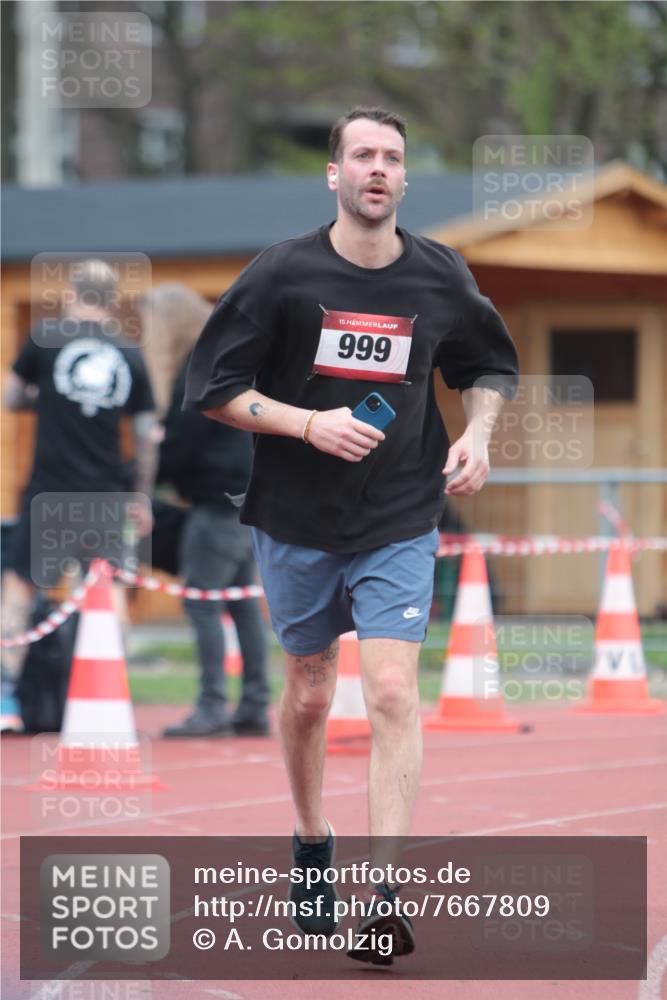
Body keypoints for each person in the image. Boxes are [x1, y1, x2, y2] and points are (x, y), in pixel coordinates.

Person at [183, 106, 519, 963]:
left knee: (393, 692)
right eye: (361, 155)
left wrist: (477, 432)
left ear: (404, 179)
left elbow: (485, 364)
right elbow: (213, 387)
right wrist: (306, 424)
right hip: (295, 519)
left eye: (392, 157)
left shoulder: (440, 275)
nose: (377, 168)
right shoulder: (282, 274)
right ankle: (309, 839)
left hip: (400, 513)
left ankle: (384, 897)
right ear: (332, 175)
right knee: (306, 691)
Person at [2, 259, 157, 713]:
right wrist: (141, 496)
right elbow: (147, 434)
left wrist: (45, 397)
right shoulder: (130, 353)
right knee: (107, 592)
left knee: (19, 588)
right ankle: (111, 695)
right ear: (111, 302)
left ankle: (10, 697)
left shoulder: (45, 337)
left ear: (71, 294)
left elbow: (11, 397)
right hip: (107, 493)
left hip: (49, 488)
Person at [140, 285, 270, 738]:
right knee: (241, 603)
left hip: (215, 504)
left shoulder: (200, 368)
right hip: (245, 501)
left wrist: (150, 472)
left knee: (202, 602)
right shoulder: (231, 360)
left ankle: (212, 706)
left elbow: (181, 444)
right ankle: (254, 705)